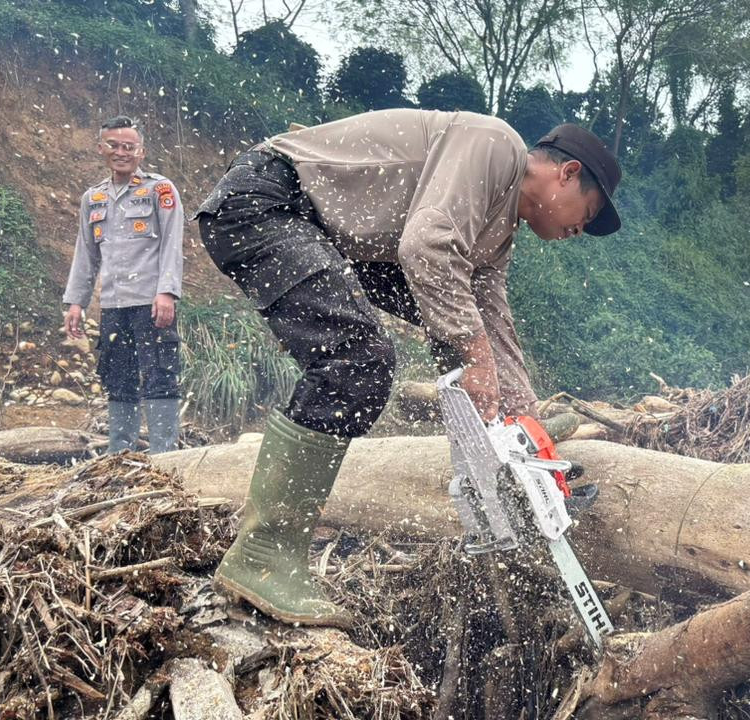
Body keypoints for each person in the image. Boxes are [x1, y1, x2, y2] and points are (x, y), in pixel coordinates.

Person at [195, 109, 622, 628]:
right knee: (359, 361)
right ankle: (264, 552)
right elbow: (424, 246)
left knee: (457, 318)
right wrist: (476, 356)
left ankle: (500, 436)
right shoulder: (497, 146)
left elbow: (489, 320)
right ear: (568, 173)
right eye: (590, 210)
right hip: (266, 203)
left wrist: (522, 417)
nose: (583, 229)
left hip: (323, 228)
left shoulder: (496, 229)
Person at [63, 115, 184, 455]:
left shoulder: (160, 190)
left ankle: (166, 458)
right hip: (114, 304)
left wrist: (166, 292)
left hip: (152, 301)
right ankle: (120, 456)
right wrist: (77, 302)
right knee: (118, 378)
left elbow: (172, 244)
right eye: (113, 145)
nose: (121, 152)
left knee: (160, 373)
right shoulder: (94, 197)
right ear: (101, 148)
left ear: (141, 152)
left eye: (128, 147)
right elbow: (86, 252)